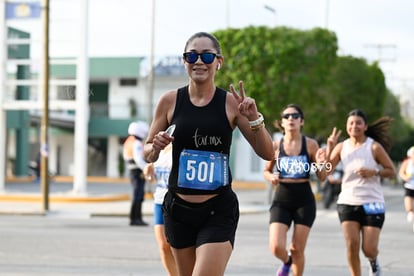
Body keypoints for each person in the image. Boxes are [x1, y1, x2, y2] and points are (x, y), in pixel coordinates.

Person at [143, 31, 274, 276]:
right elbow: (147, 152)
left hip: (217, 210)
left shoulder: (232, 103)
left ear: (218, 62)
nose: (199, 61)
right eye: (192, 55)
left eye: (206, 55)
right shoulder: (170, 101)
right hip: (178, 210)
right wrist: (156, 146)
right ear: (184, 61)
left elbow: (267, 153)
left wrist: (254, 118)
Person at [326, 109, 396, 276]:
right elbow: (326, 170)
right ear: (347, 126)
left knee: (369, 249)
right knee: (352, 245)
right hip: (347, 202)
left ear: (365, 126)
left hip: (373, 202)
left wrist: (374, 172)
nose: (354, 126)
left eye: (358, 123)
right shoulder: (341, 147)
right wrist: (329, 149)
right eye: (351, 123)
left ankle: (373, 261)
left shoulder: (373, 147)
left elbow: (391, 170)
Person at [263, 104, 327, 276]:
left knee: (297, 249)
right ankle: (287, 261)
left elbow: (322, 176)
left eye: (295, 116)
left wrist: (321, 163)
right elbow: (266, 171)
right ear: (282, 122)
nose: (291, 119)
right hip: (281, 199)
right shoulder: (276, 146)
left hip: (304, 200)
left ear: (302, 121)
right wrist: (272, 178)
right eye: (287, 116)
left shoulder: (311, 145)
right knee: (276, 246)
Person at [143, 144, 178, 276]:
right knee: (164, 246)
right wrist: (149, 172)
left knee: (178, 246)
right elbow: (153, 179)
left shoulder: (181, 147)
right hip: (159, 201)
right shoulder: (158, 151)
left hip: (177, 202)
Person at [123, 121, 149, 226]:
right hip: (137, 171)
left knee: (136, 194)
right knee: (138, 195)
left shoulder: (129, 141)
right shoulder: (136, 143)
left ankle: (135, 218)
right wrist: (146, 169)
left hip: (132, 171)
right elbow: (138, 159)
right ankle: (136, 219)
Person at [398, 145, 414, 229]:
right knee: (409, 207)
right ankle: (410, 212)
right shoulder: (407, 163)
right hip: (409, 186)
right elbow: (401, 173)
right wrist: (405, 178)